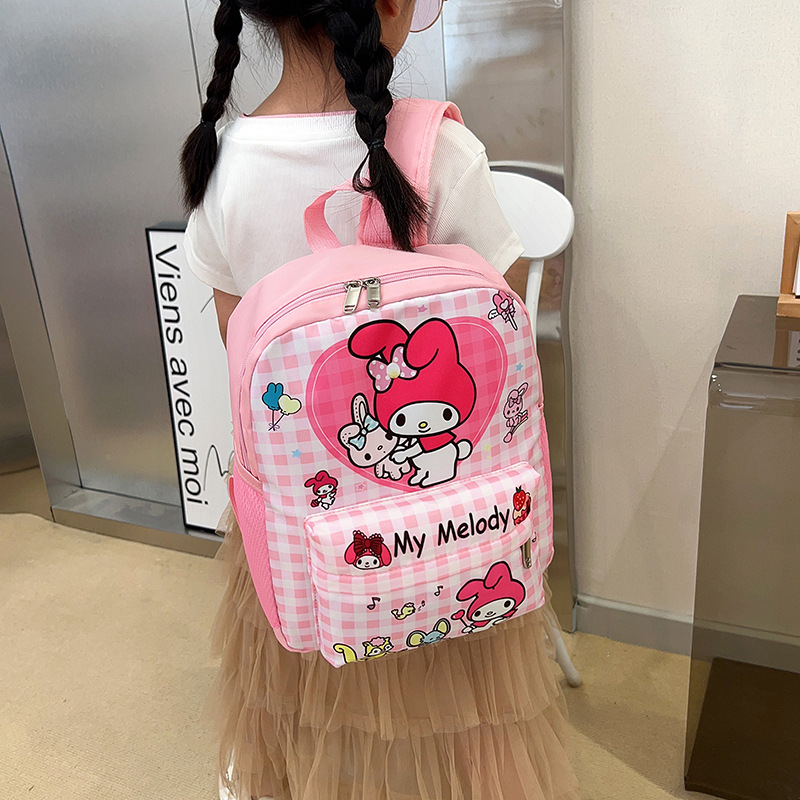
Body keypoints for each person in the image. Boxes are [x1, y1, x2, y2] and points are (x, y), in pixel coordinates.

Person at [181, 1, 580, 798]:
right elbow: (497, 338)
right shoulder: (443, 149)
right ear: (391, 8)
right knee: (462, 735)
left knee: (312, 724)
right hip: (449, 544)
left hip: (304, 541)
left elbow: (238, 345)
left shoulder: (221, 163)